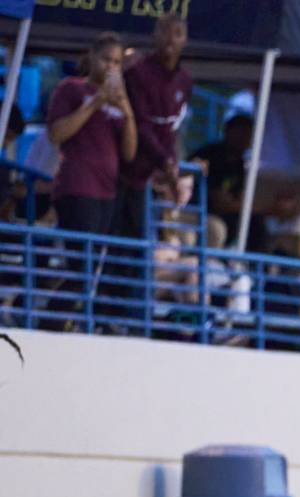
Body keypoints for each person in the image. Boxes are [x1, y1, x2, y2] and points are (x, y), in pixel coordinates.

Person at [43, 33, 137, 327]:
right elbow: (57, 134)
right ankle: (47, 319)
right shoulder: (71, 89)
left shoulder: (120, 100)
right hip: (76, 186)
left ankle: (60, 319)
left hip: (106, 192)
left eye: (117, 62)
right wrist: (95, 102)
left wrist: (126, 110)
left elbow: (129, 153)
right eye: (106, 59)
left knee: (92, 268)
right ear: (92, 58)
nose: (111, 67)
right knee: (81, 265)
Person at [115, 13, 192, 240]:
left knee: (138, 242)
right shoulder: (138, 73)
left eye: (177, 33)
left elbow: (173, 129)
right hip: (119, 171)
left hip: (145, 178)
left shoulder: (185, 80)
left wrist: (171, 166)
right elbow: (141, 124)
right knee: (111, 239)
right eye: (165, 31)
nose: (170, 39)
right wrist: (164, 161)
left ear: (185, 40)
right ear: (154, 36)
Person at [189, 114, 262, 250]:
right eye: (241, 133)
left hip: (224, 214)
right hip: (197, 211)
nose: (244, 140)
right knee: (219, 228)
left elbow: (239, 197)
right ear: (228, 132)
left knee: (256, 224)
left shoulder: (240, 163)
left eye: (248, 135)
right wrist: (267, 209)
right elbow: (220, 203)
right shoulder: (212, 156)